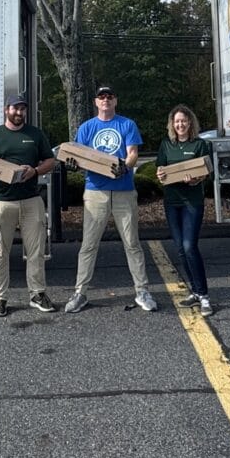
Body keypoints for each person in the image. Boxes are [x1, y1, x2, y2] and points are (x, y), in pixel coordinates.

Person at [64, 85, 158, 313]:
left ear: (115, 101)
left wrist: (125, 167)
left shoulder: (127, 124)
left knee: (132, 243)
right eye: (101, 97)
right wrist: (73, 164)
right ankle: (80, 293)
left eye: (109, 96)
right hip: (95, 191)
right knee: (88, 244)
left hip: (124, 191)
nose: (105, 100)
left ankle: (142, 291)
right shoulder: (87, 128)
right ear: (96, 102)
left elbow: (133, 153)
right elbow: (78, 156)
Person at [0, 94, 58, 318]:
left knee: (36, 251)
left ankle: (37, 294)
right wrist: (0, 170)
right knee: (0, 252)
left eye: (22, 109)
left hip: (32, 200)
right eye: (15, 108)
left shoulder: (35, 134)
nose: (19, 112)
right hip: (3, 201)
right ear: (6, 110)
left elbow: (50, 161)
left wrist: (34, 171)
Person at [156, 104, 215, 316]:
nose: (180, 124)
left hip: (192, 201)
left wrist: (196, 179)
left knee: (190, 246)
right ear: (172, 124)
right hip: (172, 201)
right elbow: (160, 170)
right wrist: (161, 175)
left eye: (184, 120)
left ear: (190, 122)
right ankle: (195, 292)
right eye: (177, 121)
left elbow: (208, 174)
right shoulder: (166, 145)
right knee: (180, 248)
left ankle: (205, 296)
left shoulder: (200, 145)